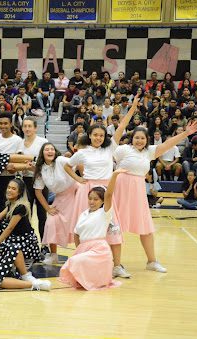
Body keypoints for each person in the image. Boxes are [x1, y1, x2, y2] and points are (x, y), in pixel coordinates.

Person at [64, 94, 140, 278]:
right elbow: (67, 165)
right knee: (85, 228)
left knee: (113, 228)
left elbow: (121, 126)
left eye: (101, 135)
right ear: (89, 136)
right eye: (95, 135)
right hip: (88, 193)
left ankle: (117, 266)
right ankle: (82, 260)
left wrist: (133, 107)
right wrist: (78, 179)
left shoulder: (110, 148)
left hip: (106, 192)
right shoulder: (82, 152)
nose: (98, 138)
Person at [113, 120, 197, 274]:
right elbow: (108, 152)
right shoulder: (123, 150)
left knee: (146, 228)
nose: (139, 140)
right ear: (132, 138)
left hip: (138, 191)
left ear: (147, 140)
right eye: (137, 137)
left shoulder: (149, 152)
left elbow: (168, 144)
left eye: (142, 138)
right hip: (120, 190)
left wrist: (186, 133)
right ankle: (116, 265)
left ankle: (152, 261)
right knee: (116, 228)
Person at [59, 169, 125, 290]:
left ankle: (97, 279)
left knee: (74, 261)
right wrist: (80, 248)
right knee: (74, 261)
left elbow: (109, 194)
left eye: (96, 199)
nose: (92, 202)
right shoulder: (84, 214)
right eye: (90, 198)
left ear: (102, 201)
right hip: (84, 248)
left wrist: (114, 175)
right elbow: (76, 233)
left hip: (100, 251)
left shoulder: (104, 213)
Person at [33, 143, 80, 265]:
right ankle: (54, 255)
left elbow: (79, 162)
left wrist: (82, 179)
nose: (50, 151)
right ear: (42, 153)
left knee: (78, 226)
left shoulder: (61, 160)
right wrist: (47, 208)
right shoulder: (41, 169)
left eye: (52, 149)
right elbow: (38, 191)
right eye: (46, 149)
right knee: (51, 223)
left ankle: (81, 255)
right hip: (60, 198)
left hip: (75, 193)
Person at [0, 179, 41, 265]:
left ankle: (26, 258)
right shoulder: (11, 203)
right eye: (8, 187)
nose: (9, 190)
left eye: (13, 189)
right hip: (14, 235)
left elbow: (10, 228)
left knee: (2, 232)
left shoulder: (20, 207)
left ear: (19, 192)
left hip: (24, 239)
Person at [19, 117, 48, 249]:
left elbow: (48, 164)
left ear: (35, 128)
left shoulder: (43, 142)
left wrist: (33, 168)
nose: (27, 129)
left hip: (41, 180)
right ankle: (29, 244)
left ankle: (45, 244)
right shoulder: (19, 143)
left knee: (42, 214)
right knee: (26, 213)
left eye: (30, 126)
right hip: (25, 181)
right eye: (25, 126)